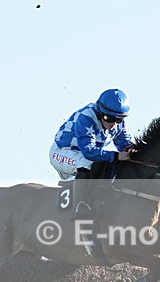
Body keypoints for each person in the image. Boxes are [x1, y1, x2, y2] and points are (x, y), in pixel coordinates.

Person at [49, 89, 134, 218]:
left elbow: (124, 144)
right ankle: (79, 206)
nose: (113, 124)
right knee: (88, 162)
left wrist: (131, 150)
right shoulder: (87, 118)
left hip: (85, 154)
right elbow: (89, 152)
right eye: (109, 118)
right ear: (100, 112)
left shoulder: (117, 123)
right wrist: (116, 155)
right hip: (62, 152)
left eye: (119, 119)